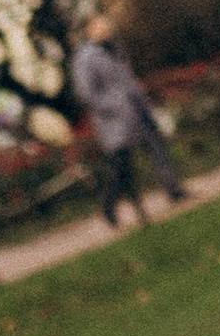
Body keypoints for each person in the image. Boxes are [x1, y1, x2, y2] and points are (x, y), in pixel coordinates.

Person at [69, 14, 187, 224]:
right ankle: (109, 205)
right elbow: (86, 93)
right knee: (121, 166)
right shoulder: (85, 58)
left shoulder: (113, 49)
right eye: (100, 24)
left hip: (137, 110)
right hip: (116, 119)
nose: (106, 26)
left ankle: (174, 190)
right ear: (89, 30)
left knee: (157, 148)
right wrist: (114, 106)